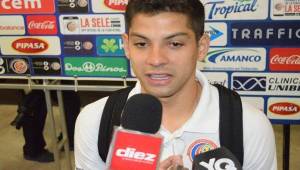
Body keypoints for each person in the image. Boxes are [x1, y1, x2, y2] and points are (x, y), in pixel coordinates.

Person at [74, 0, 277, 169]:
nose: (156, 59)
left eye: (175, 44)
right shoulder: (95, 121)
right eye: (142, 44)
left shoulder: (249, 126)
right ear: (127, 46)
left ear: (201, 47)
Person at [11, 89, 80, 163]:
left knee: (71, 99)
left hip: (45, 79)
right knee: (33, 103)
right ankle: (33, 151)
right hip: (32, 81)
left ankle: (69, 137)